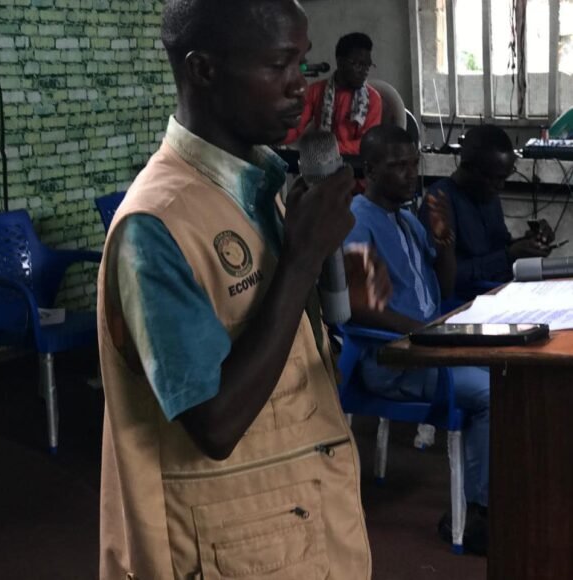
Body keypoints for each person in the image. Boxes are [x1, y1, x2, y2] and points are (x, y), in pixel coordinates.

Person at [97, 1, 392, 578]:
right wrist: (301, 261)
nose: (298, 86)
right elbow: (216, 424)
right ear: (204, 69)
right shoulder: (154, 227)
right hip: (219, 549)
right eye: (278, 65)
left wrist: (329, 276)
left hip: (295, 529)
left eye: (301, 63)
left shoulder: (261, 190)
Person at [345, 125, 490, 555]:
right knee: (492, 393)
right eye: (398, 166)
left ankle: (499, 487)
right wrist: (424, 335)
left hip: (428, 351)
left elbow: (443, 289)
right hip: (395, 359)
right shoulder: (358, 221)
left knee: (512, 371)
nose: (411, 174)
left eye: (414, 164)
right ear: (370, 170)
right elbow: (361, 307)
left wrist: (444, 242)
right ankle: (479, 512)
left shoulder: (407, 220)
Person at [421, 124, 555, 299]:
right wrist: (509, 256)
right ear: (468, 168)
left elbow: (498, 247)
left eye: (505, 177)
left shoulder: (487, 194)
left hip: (499, 291)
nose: (501, 186)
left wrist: (528, 244)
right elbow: (442, 279)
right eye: (496, 178)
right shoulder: (440, 202)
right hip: (464, 301)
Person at [283, 32, 383, 155]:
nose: (365, 71)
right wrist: (273, 136)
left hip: (355, 163)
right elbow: (295, 129)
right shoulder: (316, 91)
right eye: (358, 65)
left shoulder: (373, 99)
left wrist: (329, 148)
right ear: (340, 62)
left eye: (367, 66)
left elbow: (366, 144)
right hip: (321, 161)